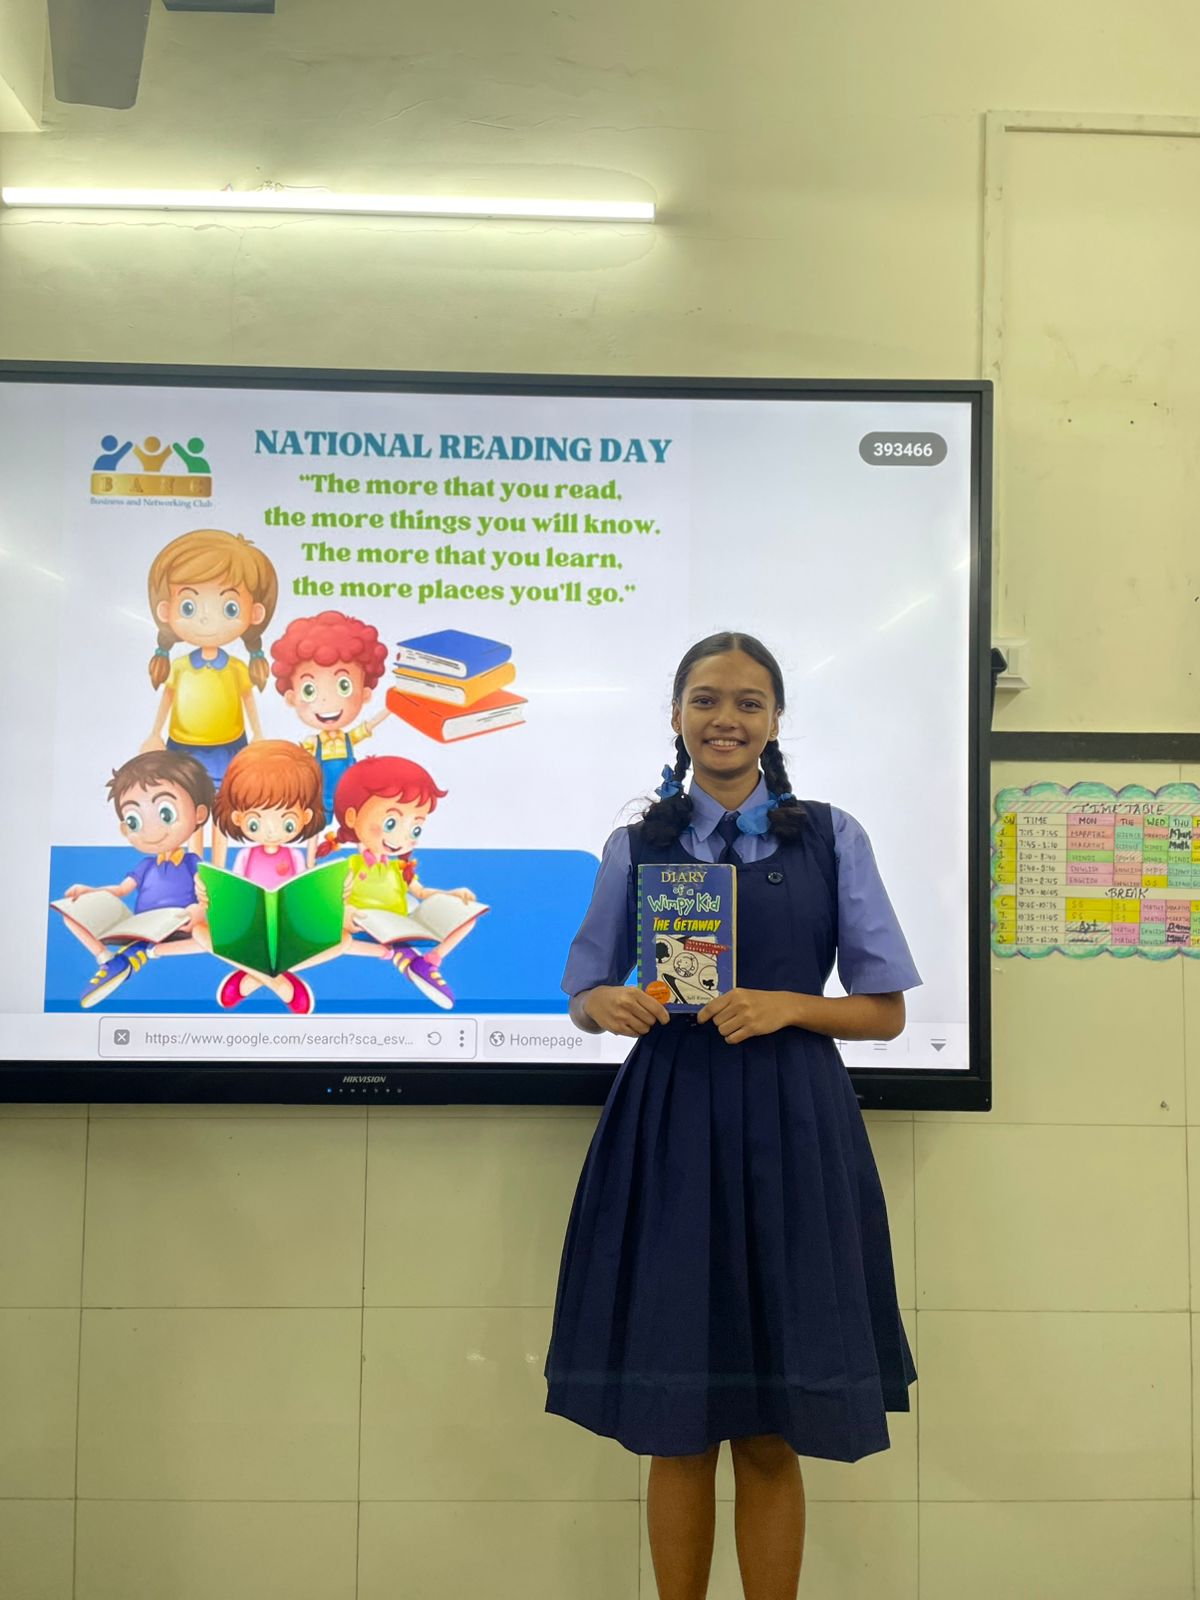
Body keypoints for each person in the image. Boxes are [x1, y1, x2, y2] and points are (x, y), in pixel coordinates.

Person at [545, 631, 921, 1600]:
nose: (726, 719)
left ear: (775, 720)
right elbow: (583, 990)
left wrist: (788, 1005)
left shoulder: (831, 836)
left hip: (794, 1126)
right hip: (670, 1123)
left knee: (768, 1426)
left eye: (749, 702)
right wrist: (604, 1003)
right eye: (706, 700)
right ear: (676, 715)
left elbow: (885, 1012)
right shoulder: (638, 843)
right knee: (677, 1426)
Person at [141, 528, 279, 866]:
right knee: (189, 808)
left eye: (229, 607)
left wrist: (259, 735)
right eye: (189, 605)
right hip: (182, 747)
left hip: (228, 748)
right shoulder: (179, 667)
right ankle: (192, 866)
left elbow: (248, 701)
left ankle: (218, 869)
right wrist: (155, 733)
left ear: (255, 613)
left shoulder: (236, 668)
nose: (205, 618)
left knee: (221, 811)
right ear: (165, 610)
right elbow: (167, 699)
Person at [199, 739, 327, 1014]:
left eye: (286, 821)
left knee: (341, 940)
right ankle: (281, 984)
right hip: (250, 925)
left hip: (288, 928)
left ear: (305, 817)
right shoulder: (247, 856)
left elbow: (303, 890)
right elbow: (235, 888)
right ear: (238, 818)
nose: (270, 831)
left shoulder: (294, 856)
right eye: (256, 821)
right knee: (200, 932)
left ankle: (248, 979)